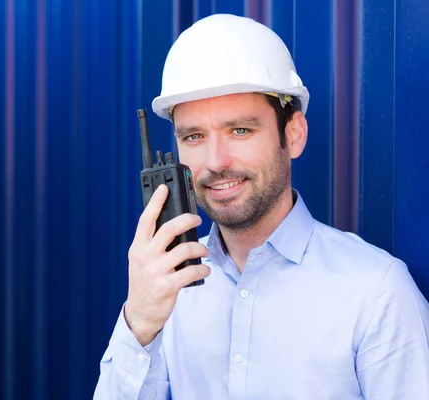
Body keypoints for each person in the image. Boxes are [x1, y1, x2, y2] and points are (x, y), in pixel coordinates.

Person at [94, 14, 429, 400]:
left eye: (240, 130)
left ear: (294, 134)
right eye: (194, 136)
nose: (216, 161)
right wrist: (139, 324)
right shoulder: (167, 290)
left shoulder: (377, 293)